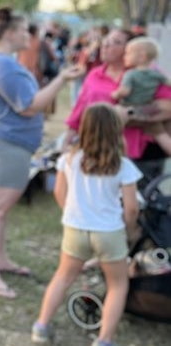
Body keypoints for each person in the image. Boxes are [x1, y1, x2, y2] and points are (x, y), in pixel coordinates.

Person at [0, 7, 83, 299]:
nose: (28, 35)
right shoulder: (4, 65)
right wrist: (62, 79)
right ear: (9, 33)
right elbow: (29, 105)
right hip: (4, 145)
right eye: (24, 30)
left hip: (6, 143)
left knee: (0, 209)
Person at [31, 103, 141, 346]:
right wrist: (128, 228)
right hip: (109, 232)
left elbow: (60, 193)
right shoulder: (124, 166)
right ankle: (103, 340)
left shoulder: (69, 159)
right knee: (117, 284)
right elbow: (132, 208)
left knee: (63, 276)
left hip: (75, 228)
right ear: (116, 130)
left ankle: (41, 326)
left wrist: (74, 214)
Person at [64, 29, 171, 182]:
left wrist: (129, 113)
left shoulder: (148, 74)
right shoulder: (95, 74)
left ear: (131, 49)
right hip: (99, 149)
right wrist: (67, 140)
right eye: (106, 40)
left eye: (116, 42)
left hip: (141, 154)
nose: (106, 45)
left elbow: (168, 107)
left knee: (139, 202)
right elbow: (80, 110)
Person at [111, 37, 168, 119]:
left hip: (130, 108)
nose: (124, 57)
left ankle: (119, 131)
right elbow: (168, 82)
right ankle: (160, 132)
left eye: (128, 53)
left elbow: (124, 91)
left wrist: (115, 94)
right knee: (156, 129)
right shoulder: (157, 74)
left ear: (142, 56)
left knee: (117, 112)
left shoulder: (130, 74)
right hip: (147, 109)